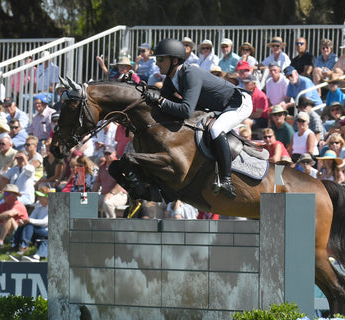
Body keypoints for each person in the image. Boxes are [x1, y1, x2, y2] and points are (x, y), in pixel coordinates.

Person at [143, 38, 252, 199]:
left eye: (160, 59)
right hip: (218, 107)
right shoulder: (172, 79)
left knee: (216, 129)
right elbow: (163, 99)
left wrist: (160, 100)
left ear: (174, 60)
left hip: (238, 103)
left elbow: (186, 110)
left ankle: (226, 180)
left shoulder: (190, 73)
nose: (157, 63)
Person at [10, 187, 51, 261]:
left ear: (47, 198)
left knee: (29, 224)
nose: (39, 199)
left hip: (46, 232)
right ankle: (15, 244)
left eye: (42, 197)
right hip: (38, 230)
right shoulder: (38, 208)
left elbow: (45, 222)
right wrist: (23, 221)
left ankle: (24, 246)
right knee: (25, 224)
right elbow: (30, 219)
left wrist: (28, 220)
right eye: (39, 197)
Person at [0, 183, 28, 248]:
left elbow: (10, 213)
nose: (4, 195)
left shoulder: (19, 205)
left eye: (6, 194)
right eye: (4, 193)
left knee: (8, 218)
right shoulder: (5, 204)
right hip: (6, 232)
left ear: (14, 195)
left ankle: (0, 241)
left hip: (18, 233)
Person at [92, 146, 128, 218]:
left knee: (107, 203)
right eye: (106, 154)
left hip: (119, 195)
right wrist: (91, 195)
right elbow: (97, 182)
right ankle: (91, 224)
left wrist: (111, 193)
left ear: (115, 153)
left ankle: (112, 224)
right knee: (88, 202)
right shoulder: (102, 166)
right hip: (104, 194)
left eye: (109, 153)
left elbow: (121, 183)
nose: (108, 156)